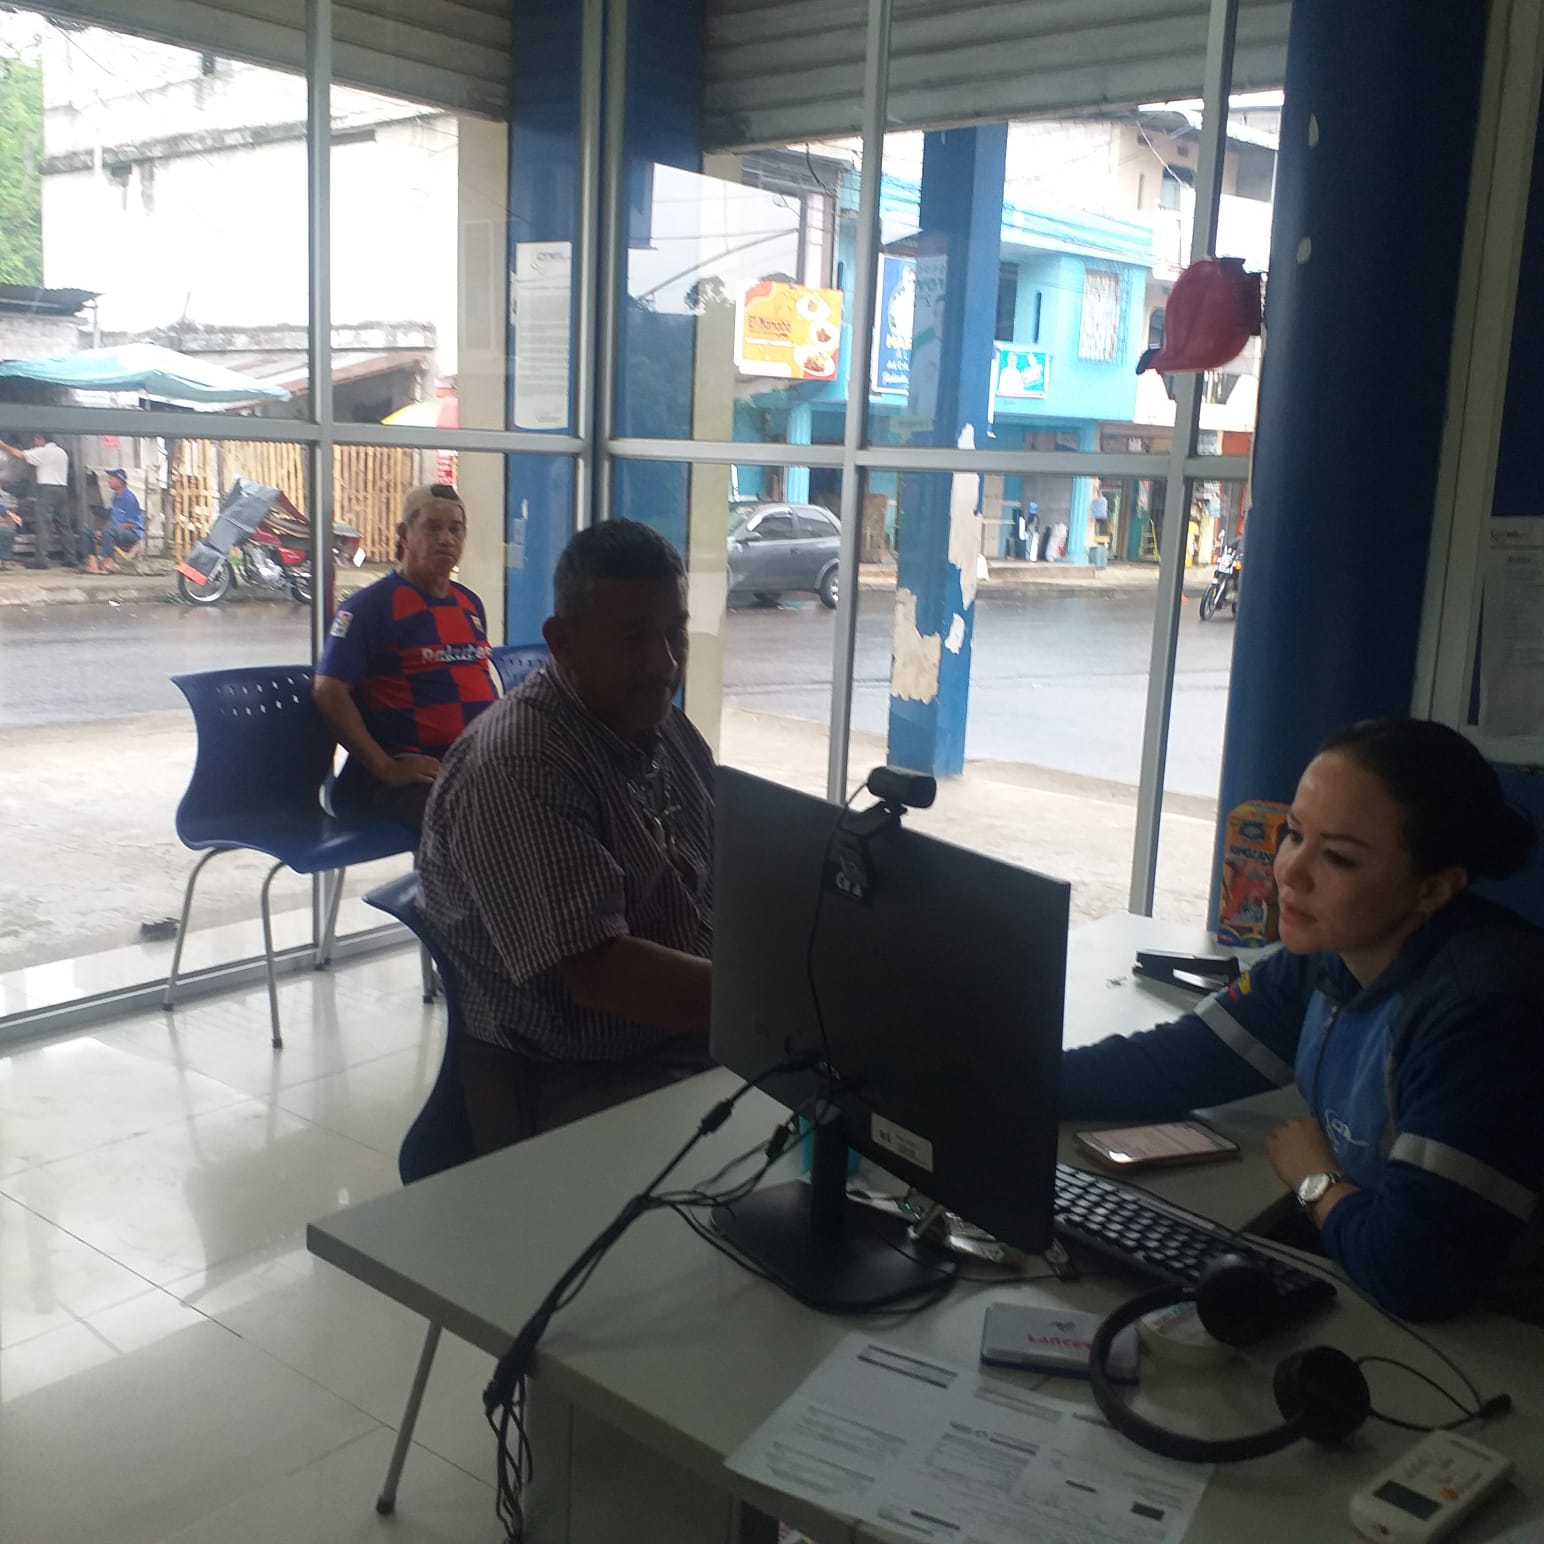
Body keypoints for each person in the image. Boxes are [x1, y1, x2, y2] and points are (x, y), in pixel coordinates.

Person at [1061, 718, 1544, 1323]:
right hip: (1370, 1267)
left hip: (1500, 1333)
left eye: (1338, 857)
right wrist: (999, 1075)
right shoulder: (1330, 954)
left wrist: (1314, 1174)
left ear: (1435, 889)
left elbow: (1412, 1272)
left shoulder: (1484, 1017)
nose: (1289, 871)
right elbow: (1171, 1065)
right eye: (1294, 833)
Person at [419, 520, 715, 1154]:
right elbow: (599, 973)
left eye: (676, 632)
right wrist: (772, 1005)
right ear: (563, 642)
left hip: (683, 1028)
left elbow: (726, 858)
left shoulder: (659, 724)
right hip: (572, 1074)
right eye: (633, 638)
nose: (664, 662)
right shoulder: (519, 764)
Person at [312, 482, 494, 833]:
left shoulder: (469, 604)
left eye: (455, 529)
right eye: (433, 527)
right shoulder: (369, 608)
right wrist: (385, 767)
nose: (446, 539)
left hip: (474, 761)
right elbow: (327, 691)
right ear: (404, 534)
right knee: (482, 821)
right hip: (406, 774)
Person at [0, 434, 72, 568]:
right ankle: (71, 558)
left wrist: (2, 445)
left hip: (47, 490)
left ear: (41, 439)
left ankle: (41, 560)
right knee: (64, 525)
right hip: (62, 489)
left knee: (43, 524)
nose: (34, 444)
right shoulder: (62, 453)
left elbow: (18, 454)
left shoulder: (44, 451)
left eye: (35, 441)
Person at [84, 469, 145, 574]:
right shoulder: (115, 497)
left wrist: (108, 530)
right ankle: (92, 565)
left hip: (131, 533)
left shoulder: (129, 498)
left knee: (108, 532)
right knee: (86, 532)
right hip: (116, 531)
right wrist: (101, 530)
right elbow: (112, 519)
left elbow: (131, 524)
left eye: (111, 478)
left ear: (120, 481)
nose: (109, 481)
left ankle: (108, 563)